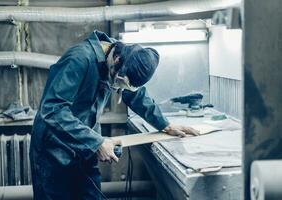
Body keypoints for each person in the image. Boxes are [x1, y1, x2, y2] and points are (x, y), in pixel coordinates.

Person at [29, 30, 198, 200]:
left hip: (84, 146)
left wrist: (165, 125)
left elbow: (135, 95)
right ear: (117, 60)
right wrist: (96, 142)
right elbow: (52, 110)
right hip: (53, 149)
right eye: (119, 83)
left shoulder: (122, 60)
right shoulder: (79, 59)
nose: (119, 88)